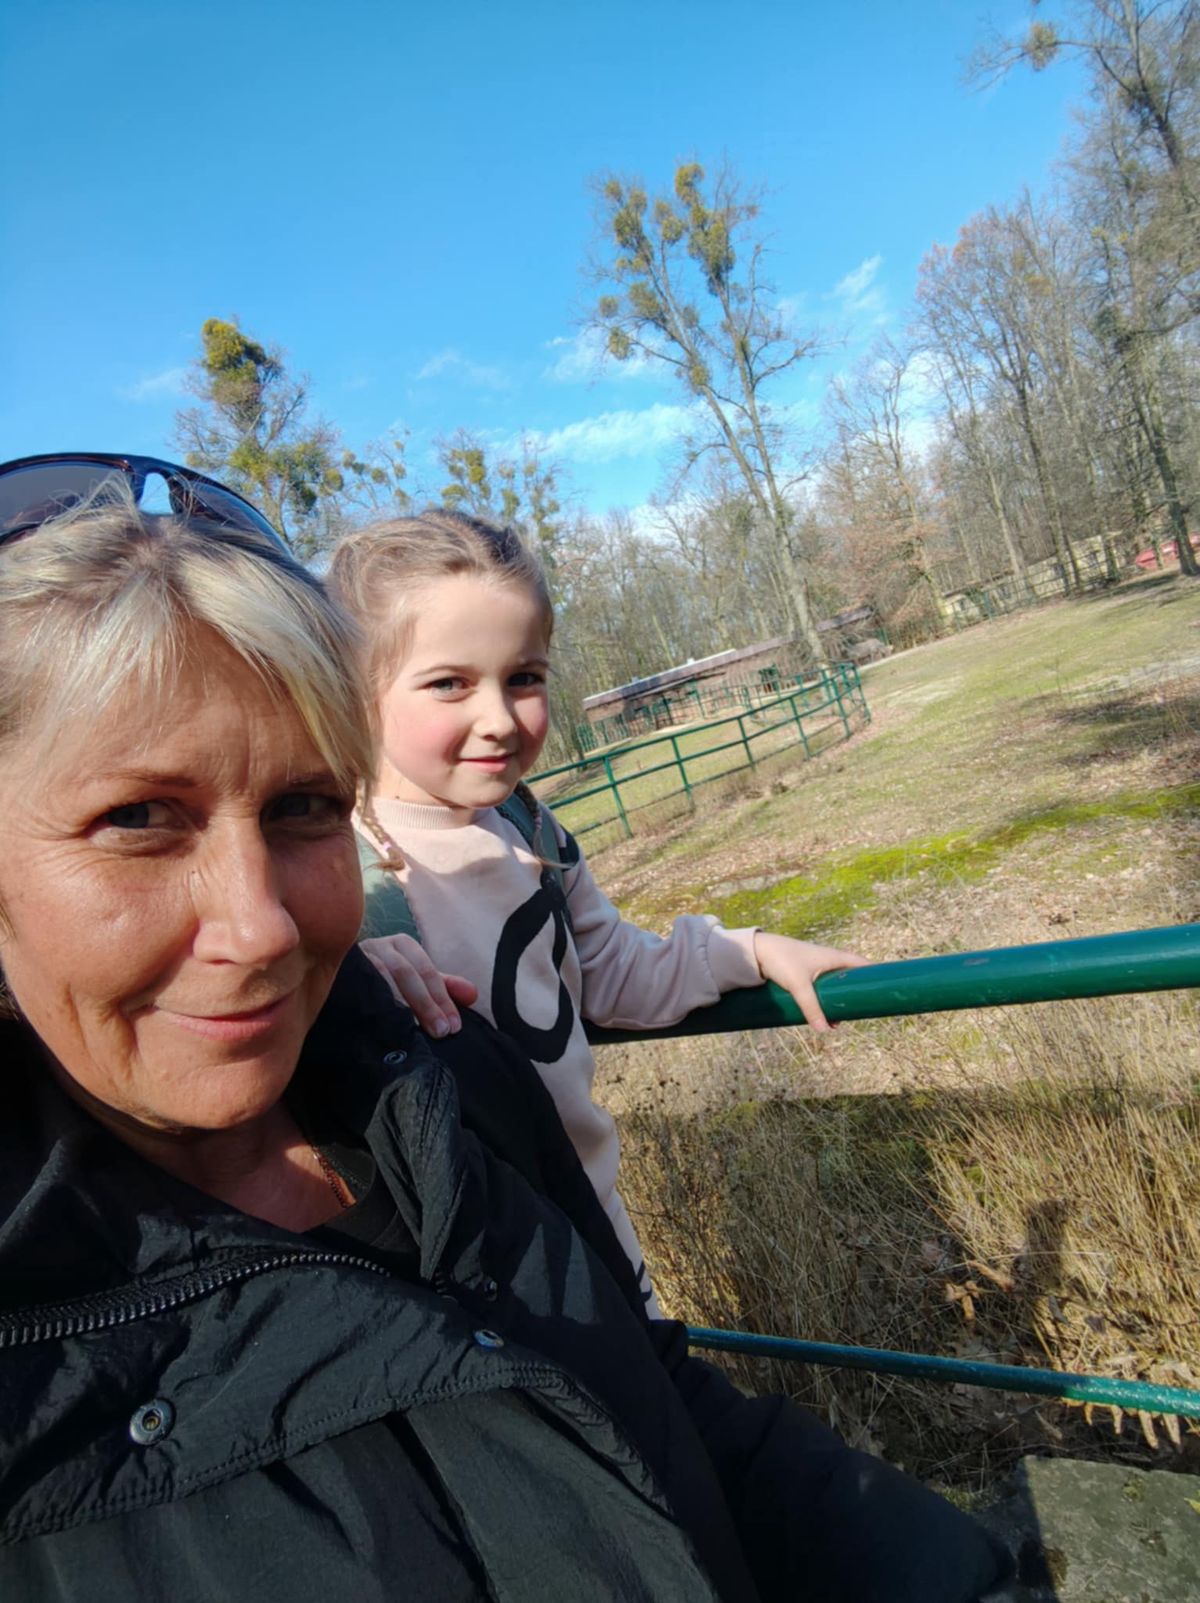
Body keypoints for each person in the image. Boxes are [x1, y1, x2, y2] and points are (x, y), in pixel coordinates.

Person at [0, 455, 1011, 1602]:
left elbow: (654, 1412)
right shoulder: (388, 917)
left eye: (302, 807)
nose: (262, 927)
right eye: (137, 817)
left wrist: (742, 955)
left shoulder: (441, 1065)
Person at [328, 509, 866, 1307]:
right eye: (449, 683)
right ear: (354, 689)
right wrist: (343, 979)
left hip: (600, 1233)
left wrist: (748, 951)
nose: (500, 719)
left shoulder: (529, 827)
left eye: (525, 677)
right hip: (471, 1287)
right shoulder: (334, 869)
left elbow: (609, 970)